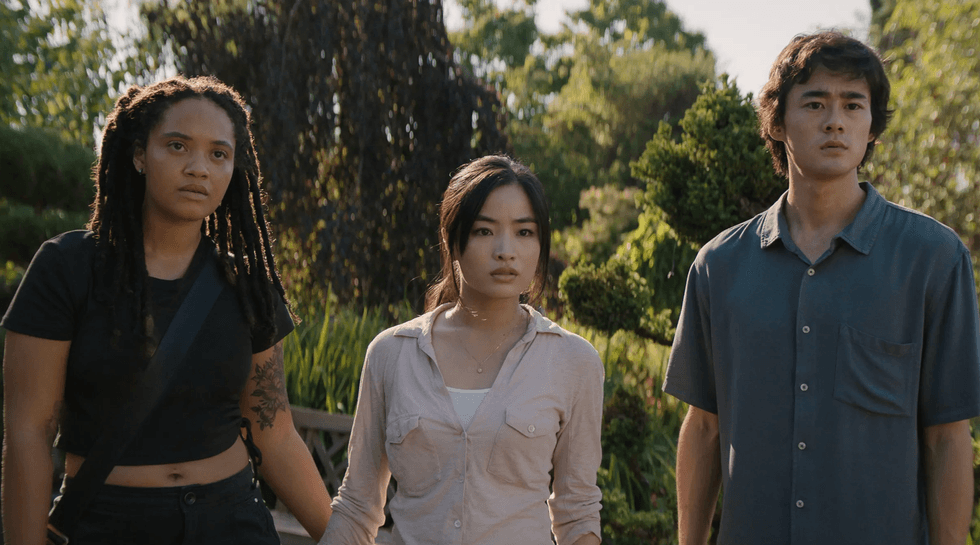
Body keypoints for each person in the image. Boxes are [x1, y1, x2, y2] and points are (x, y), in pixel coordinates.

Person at [665, 31, 980, 545]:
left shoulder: (933, 259)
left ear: (872, 124)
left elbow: (948, 437)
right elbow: (703, 428)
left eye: (853, 105)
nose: (835, 120)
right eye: (815, 102)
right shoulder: (719, 266)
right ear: (777, 121)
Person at [1, 76, 332, 544]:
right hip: (108, 523)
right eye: (177, 146)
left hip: (233, 520)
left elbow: (273, 431)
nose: (199, 167)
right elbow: (29, 432)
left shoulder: (247, 284)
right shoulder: (67, 268)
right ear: (139, 155)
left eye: (219, 154)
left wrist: (345, 538)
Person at [319, 155, 603, 545]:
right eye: (485, 231)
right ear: (452, 240)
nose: (506, 250)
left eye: (524, 233)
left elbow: (578, 513)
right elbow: (357, 505)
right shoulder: (391, 354)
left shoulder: (574, 361)